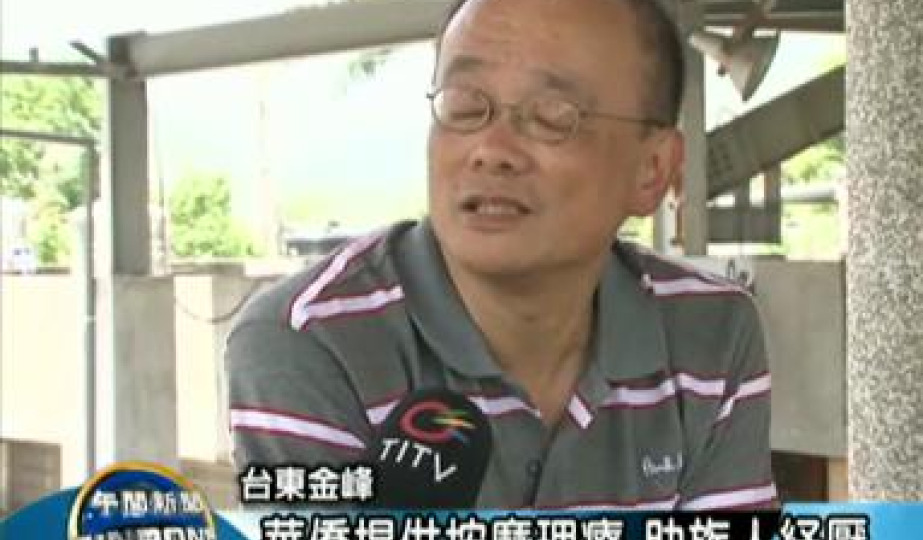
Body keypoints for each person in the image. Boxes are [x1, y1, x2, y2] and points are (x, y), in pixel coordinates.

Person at [227, 0, 775, 509]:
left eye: (553, 115)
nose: (491, 151)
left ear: (652, 170)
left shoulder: (710, 331)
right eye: (465, 105)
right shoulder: (310, 339)